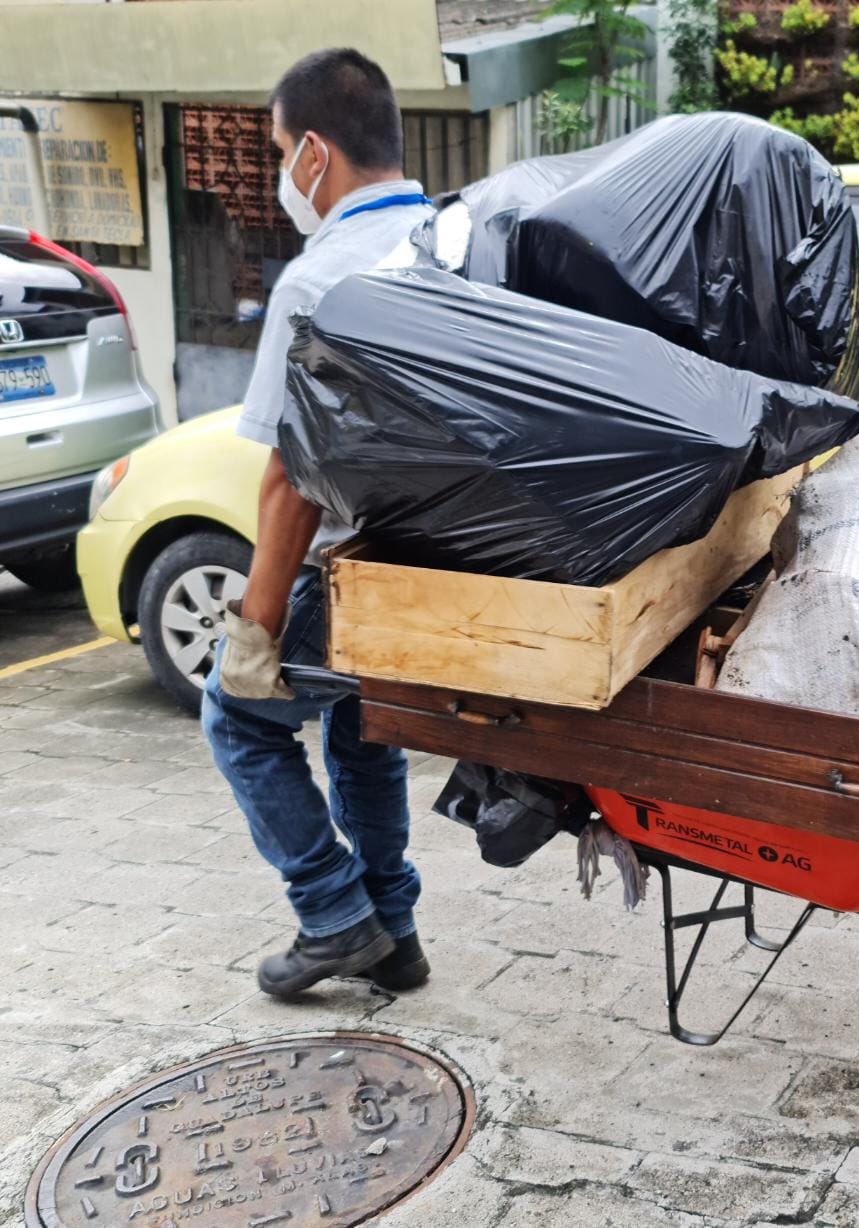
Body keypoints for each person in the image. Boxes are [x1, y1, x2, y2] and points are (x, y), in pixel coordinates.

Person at [202, 48, 433, 997]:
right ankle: (397, 930)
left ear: (313, 155)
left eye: (275, 151)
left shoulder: (317, 280)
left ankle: (334, 914)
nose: (276, 173)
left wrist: (255, 628)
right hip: (433, 567)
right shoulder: (451, 241)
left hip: (347, 565)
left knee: (239, 720)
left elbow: (288, 482)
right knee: (362, 731)